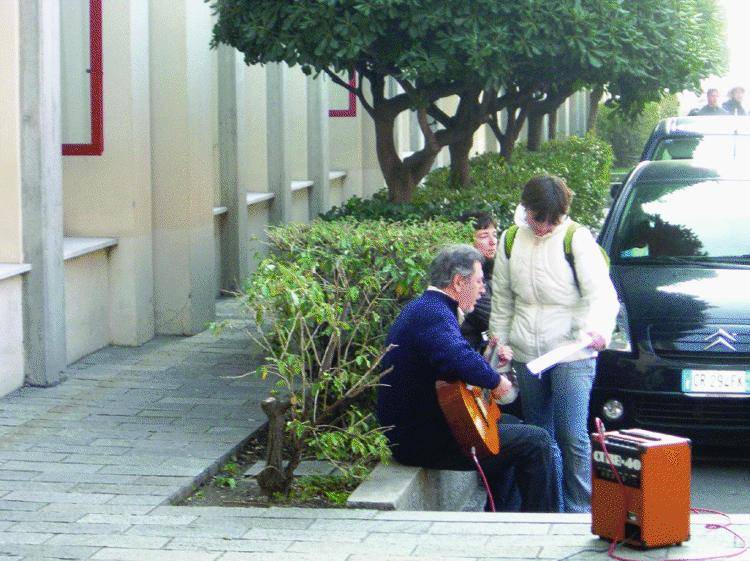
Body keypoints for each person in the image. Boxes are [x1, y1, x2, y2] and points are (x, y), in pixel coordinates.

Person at [377, 244, 561, 512]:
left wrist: (486, 359)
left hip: (425, 430)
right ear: (458, 282)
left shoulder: (427, 308)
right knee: (537, 441)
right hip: (422, 442)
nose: (483, 289)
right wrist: (497, 381)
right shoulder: (433, 313)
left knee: (507, 423)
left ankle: (503, 515)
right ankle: (541, 528)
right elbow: (457, 357)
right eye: (478, 281)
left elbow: (449, 366)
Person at [489, 176, 619, 513]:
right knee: (539, 436)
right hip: (527, 354)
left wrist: (598, 330)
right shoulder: (511, 240)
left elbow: (601, 295)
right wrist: (499, 351)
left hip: (572, 351)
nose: (545, 227)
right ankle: (547, 509)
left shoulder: (577, 239)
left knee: (572, 435)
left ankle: (579, 512)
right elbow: (503, 301)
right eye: (538, 218)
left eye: (553, 220)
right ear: (525, 210)